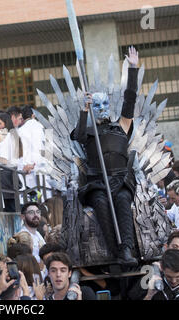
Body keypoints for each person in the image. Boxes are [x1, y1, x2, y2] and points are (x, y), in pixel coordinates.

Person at [70, 47, 140, 266]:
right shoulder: (88, 132)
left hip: (121, 180)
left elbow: (130, 99)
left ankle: (126, 249)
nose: (100, 109)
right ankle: (115, 251)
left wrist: (133, 69)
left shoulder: (121, 125)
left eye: (103, 105)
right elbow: (78, 135)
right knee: (100, 203)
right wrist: (84, 110)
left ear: (109, 106)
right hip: (97, 182)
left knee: (122, 201)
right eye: (96, 105)